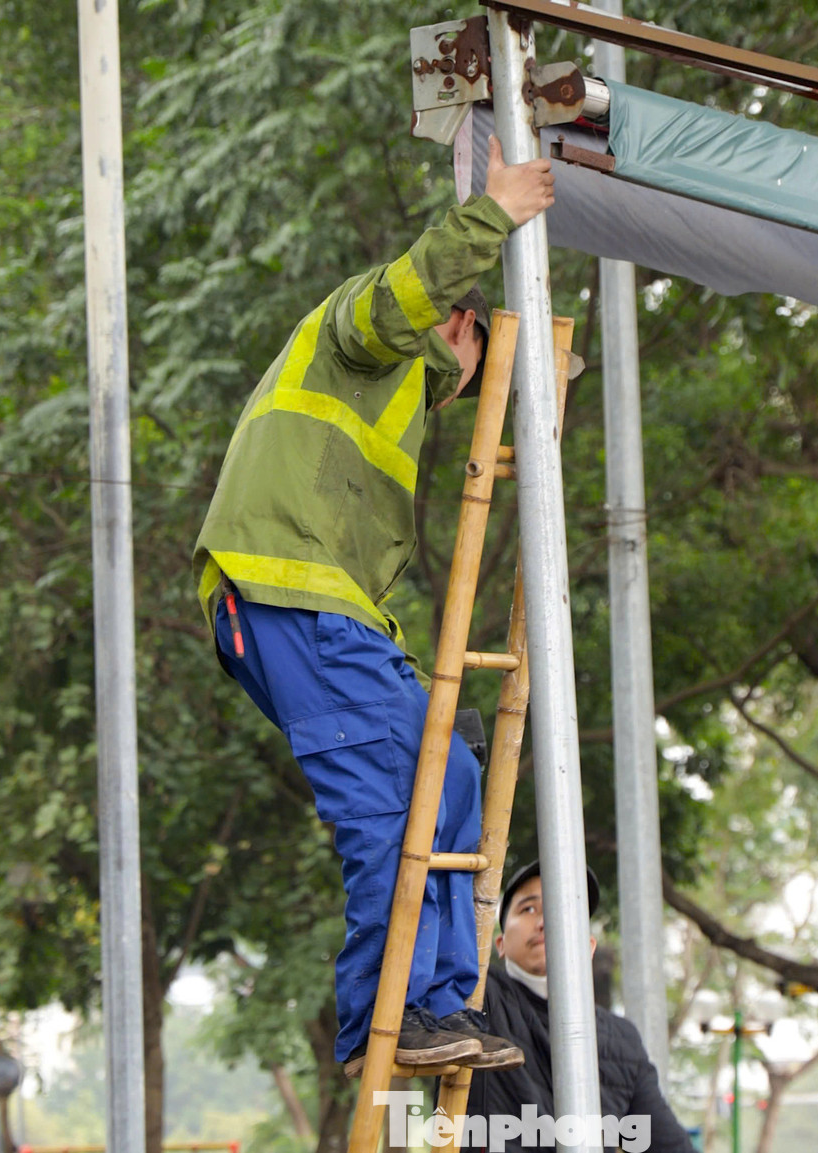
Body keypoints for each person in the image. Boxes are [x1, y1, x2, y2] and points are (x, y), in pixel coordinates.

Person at [193, 137, 555, 1076]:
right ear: (457, 319)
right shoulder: (363, 327)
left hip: (324, 611)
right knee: (387, 811)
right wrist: (497, 211)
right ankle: (378, 1024)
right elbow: (403, 297)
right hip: (285, 593)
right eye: (471, 332)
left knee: (456, 783)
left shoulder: (403, 384)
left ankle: (432, 1003)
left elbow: (432, 368)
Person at [463, 860, 695, 1152]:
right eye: (528, 908)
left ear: (589, 945)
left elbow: (669, 1145)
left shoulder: (621, 1039)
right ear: (499, 943)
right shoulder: (476, 999)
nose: (545, 921)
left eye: (562, 908)